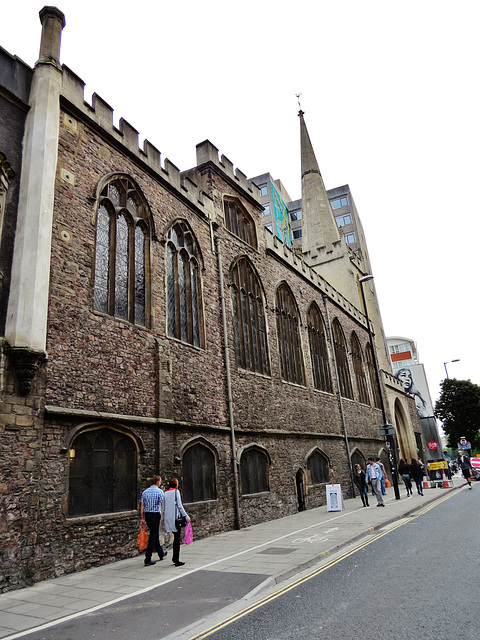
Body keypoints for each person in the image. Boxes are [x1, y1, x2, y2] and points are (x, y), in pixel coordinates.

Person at [140, 474, 168, 567]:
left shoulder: (145, 492)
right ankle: (148, 558)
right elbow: (162, 505)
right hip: (155, 514)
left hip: (147, 515)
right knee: (153, 536)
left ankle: (161, 553)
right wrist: (164, 517)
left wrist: (142, 518)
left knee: (154, 533)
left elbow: (142, 506)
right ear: (158, 482)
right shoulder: (160, 492)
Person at [163, 477, 191, 567]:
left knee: (175, 537)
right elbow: (179, 506)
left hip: (168, 518)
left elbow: (163, 508)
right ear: (176, 484)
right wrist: (186, 516)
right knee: (177, 539)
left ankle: (175, 558)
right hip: (176, 519)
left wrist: (164, 519)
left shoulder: (165, 493)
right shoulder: (176, 492)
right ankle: (176, 559)